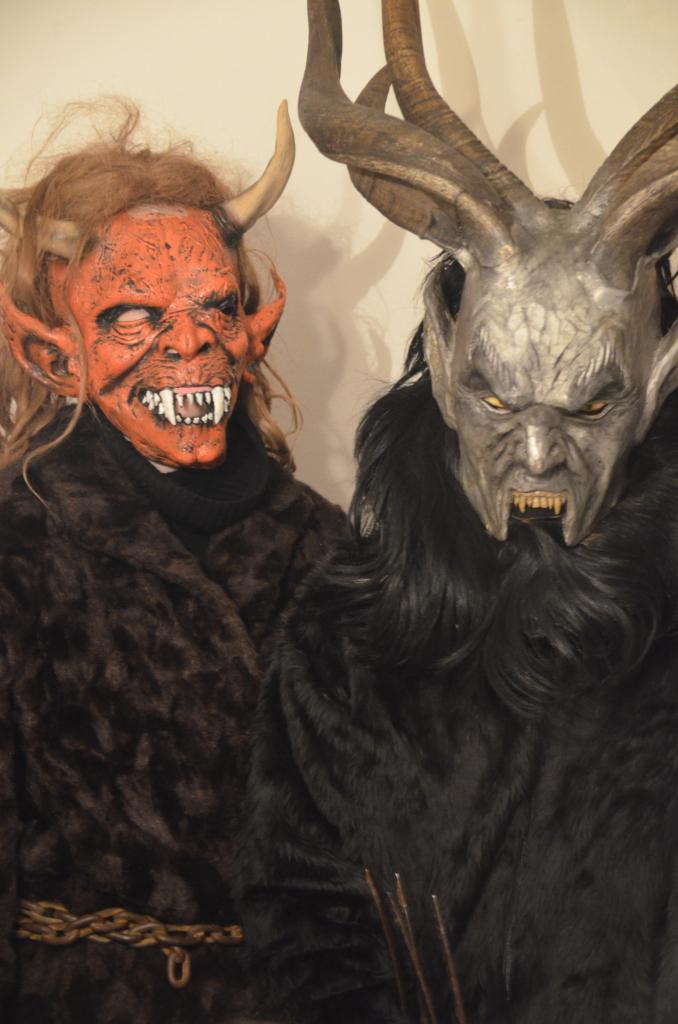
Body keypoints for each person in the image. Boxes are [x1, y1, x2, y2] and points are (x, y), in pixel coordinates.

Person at [238, 2, 678, 1022]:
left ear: (659, 374)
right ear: (442, 363)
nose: (538, 455)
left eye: (590, 406)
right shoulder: (349, 635)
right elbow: (301, 916)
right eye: (497, 398)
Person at [0, 100, 343, 1023]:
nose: (187, 343)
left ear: (254, 328)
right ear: (56, 356)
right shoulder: (16, 548)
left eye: (215, 307)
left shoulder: (331, 551)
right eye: (132, 316)